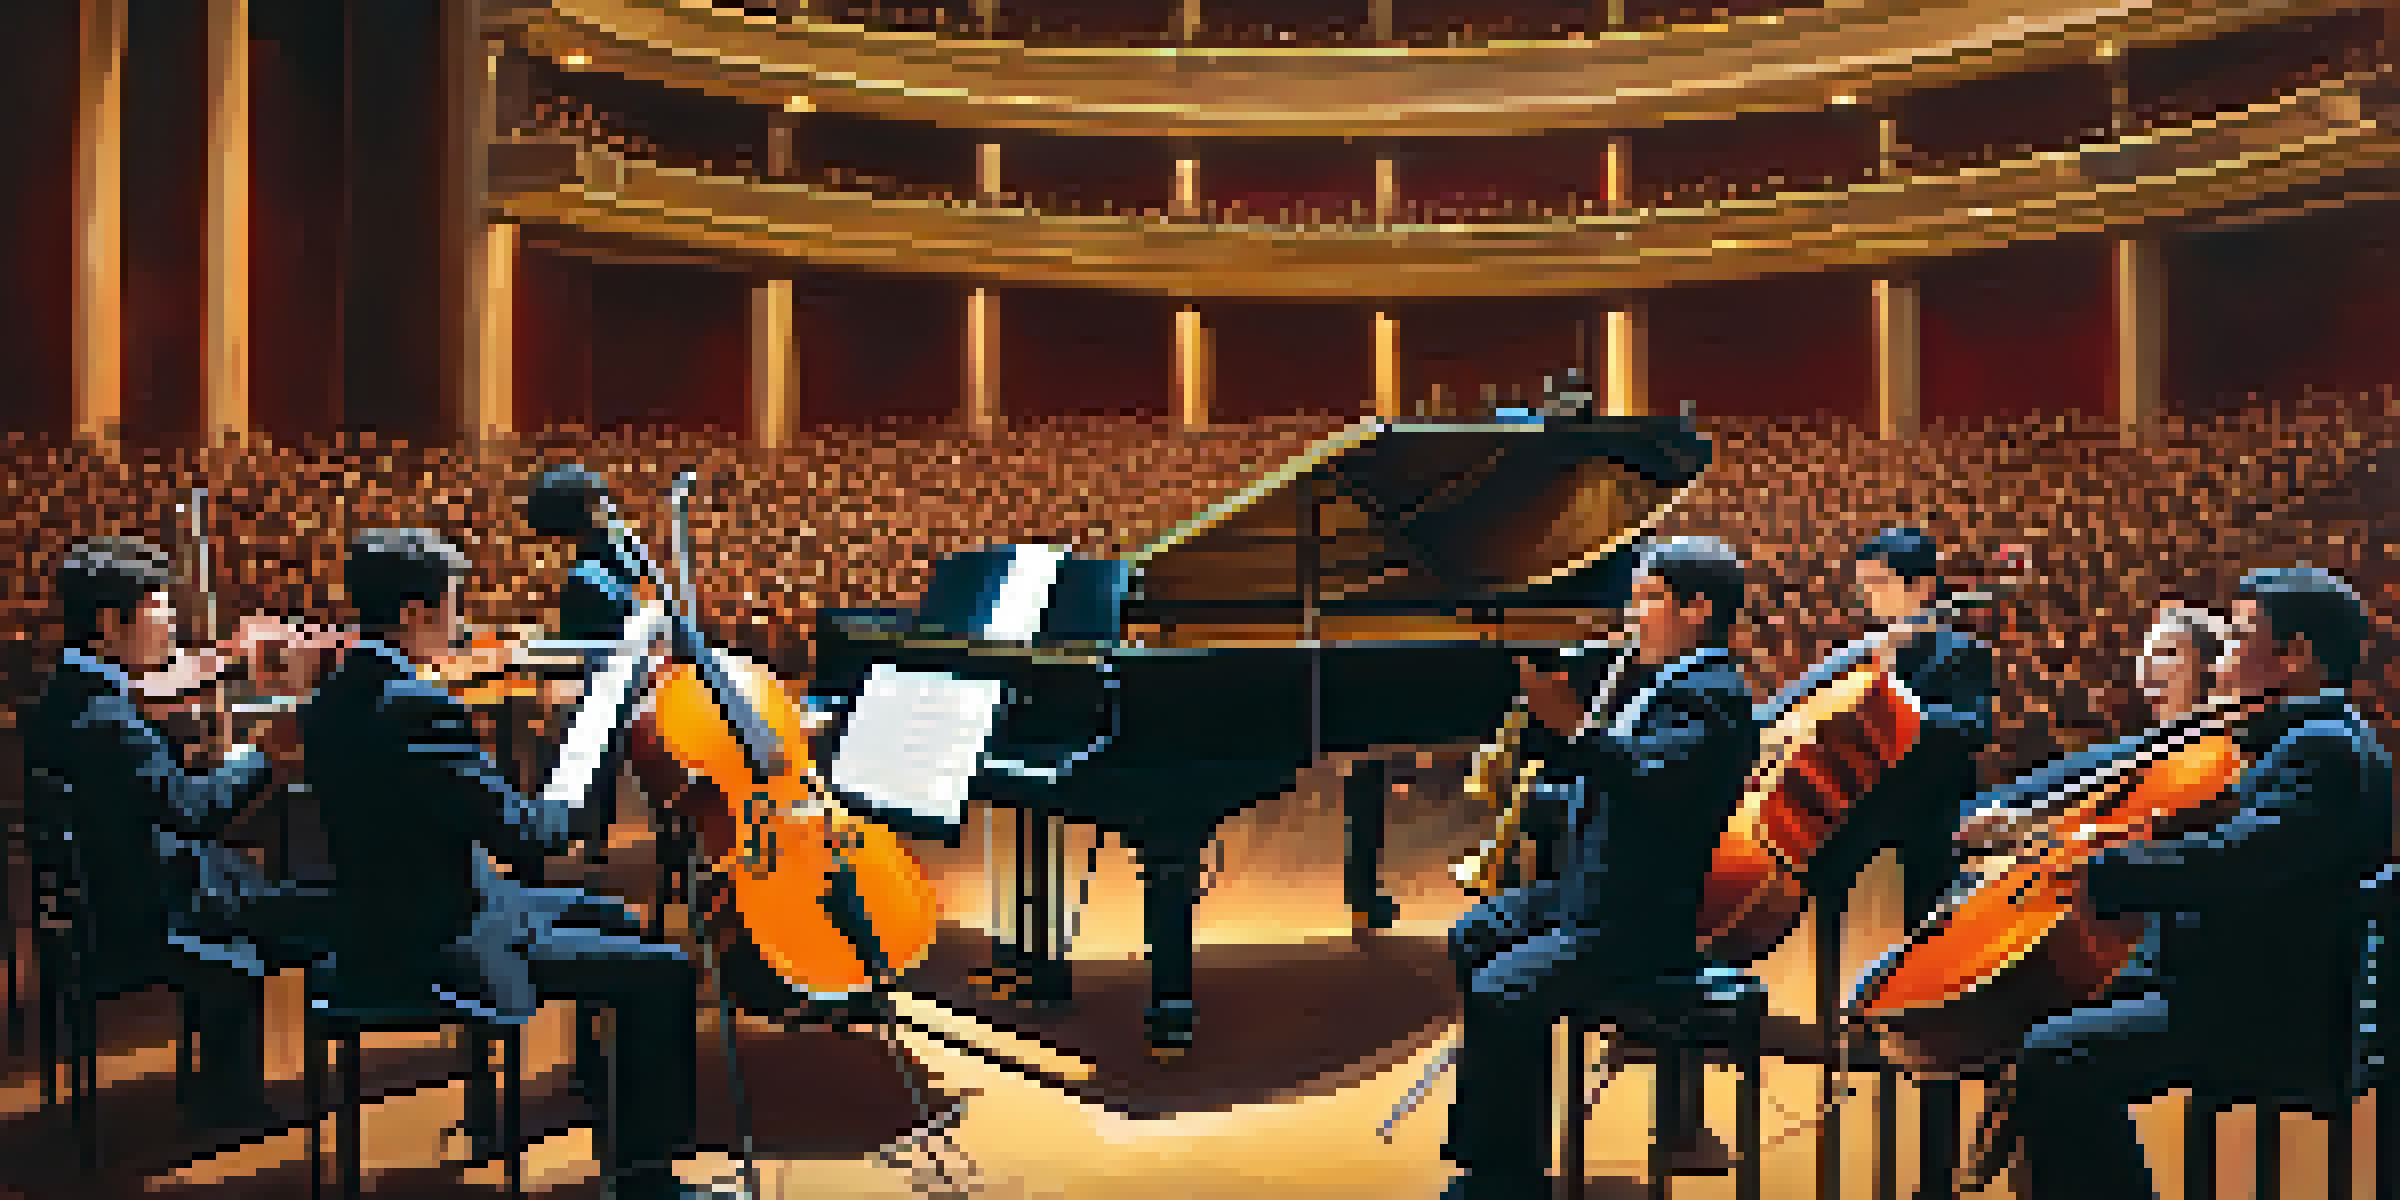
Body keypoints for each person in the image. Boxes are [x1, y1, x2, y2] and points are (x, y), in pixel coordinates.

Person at [299, 528, 737, 1200]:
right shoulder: (417, 709)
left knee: (616, 915)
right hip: (439, 938)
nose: (459, 619)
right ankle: (649, 1180)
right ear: (415, 613)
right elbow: (528, 839)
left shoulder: (333, 697)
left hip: (390, 912)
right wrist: (572, 782)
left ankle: (614, 1113)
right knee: (667, 971)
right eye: (452, 604)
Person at [1971, 567, 2392, 1198]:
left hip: (2263, 1008)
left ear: (2295, 655)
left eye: (2241, 636)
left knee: (2055, 1056)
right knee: (2040, 1033)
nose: (2223, 654)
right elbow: (2143, 779)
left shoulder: (2322, 748)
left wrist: (2093, 869)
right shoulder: (2293, 735)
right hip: (2223, 979)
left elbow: (2236, 861)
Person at [1441, 537, 1760, 1200]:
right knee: (1474, 935)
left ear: (1698, 608)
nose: (1631, 614)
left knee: (1505, 989)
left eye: (1648, 599)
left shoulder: (1715, 696)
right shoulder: (1661, 682)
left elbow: (1647, 780)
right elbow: (1615, 789)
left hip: (1643, 915)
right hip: (1598, 889)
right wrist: (1536, 794)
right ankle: (1490, 1144)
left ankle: (1506, 1177)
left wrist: (1575, 729)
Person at [24, 537, 325, 1126]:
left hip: (104, 898)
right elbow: (193, 811)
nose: (169, 626)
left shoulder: (68, 691)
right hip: (141, 917)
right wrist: (266, 754)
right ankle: (235, 1099)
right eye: (159, 610)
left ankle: (220, 1083)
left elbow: (149, 788)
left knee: (260, 889)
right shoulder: (105, 715)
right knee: (301, 909)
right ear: (111, 623)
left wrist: (201, 754)